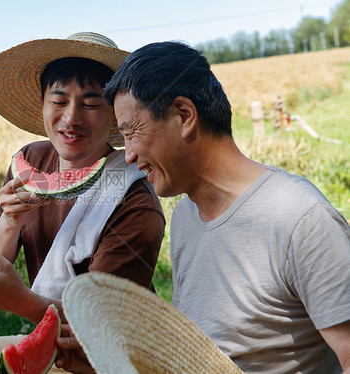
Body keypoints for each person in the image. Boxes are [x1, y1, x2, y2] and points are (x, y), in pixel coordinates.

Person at [100, 41, 350, 373]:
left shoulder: (300, 219)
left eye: (131, 132)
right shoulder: (187, 215)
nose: (128, 155)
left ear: (184, 116)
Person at [0, 31, 164, 348]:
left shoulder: (135, 204)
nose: (71, 118)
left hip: (121, 354)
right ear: (42, 104)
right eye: (59, 101)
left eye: (91, 103)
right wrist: (11, 221)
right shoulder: (31, 160)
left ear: (115, 114)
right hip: (56, 346)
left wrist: (20, 301)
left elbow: (106, 320)